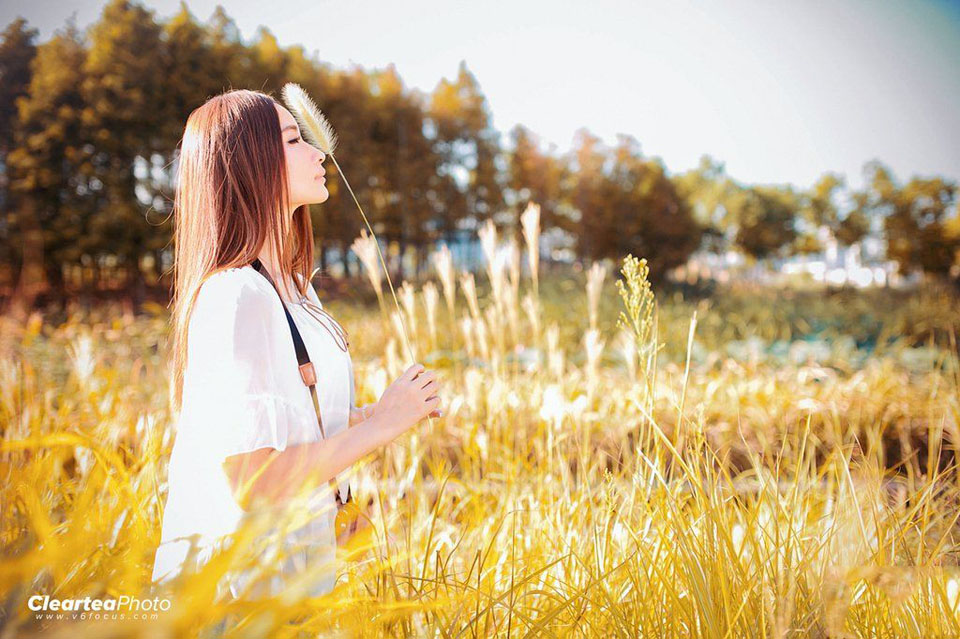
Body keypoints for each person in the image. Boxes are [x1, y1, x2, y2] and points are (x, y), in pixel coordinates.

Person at [151, 88, 442, 601]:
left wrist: (382, 412)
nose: (319, 153)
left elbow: (295, 418)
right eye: (293, 140)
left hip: (292, 584)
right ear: (250, 164)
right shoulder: (235, 296)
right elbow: (254, 481)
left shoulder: (296, 289)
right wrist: (384, 424)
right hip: (229, 598)